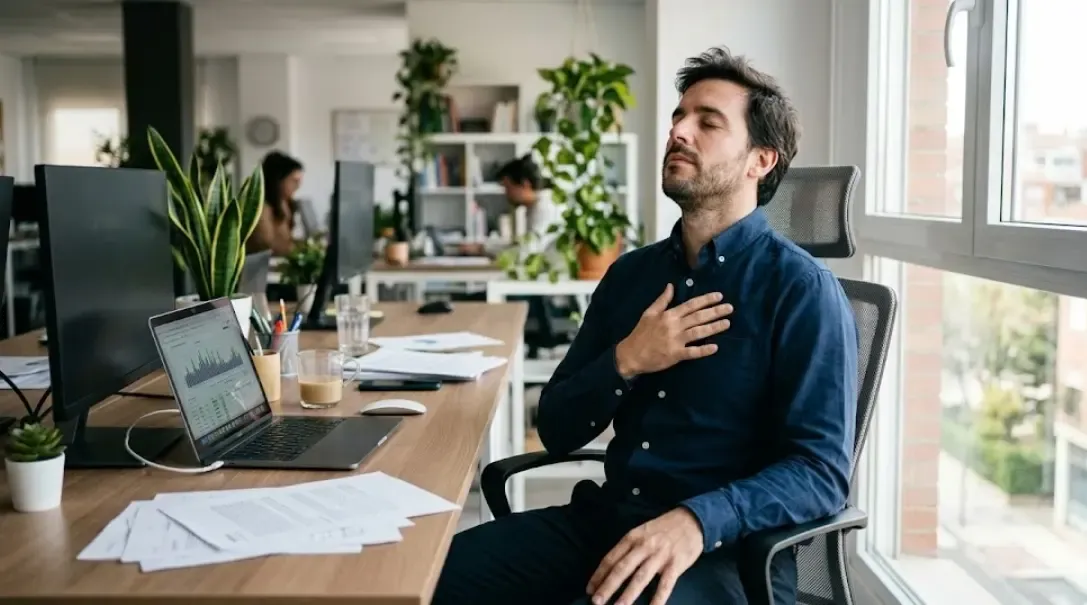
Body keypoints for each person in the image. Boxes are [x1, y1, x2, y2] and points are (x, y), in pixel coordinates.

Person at [431, 46, 858, 605]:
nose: (679, 131)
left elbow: (820, 472)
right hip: (607, 522)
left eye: (708, 122)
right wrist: (626, 360)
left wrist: (696, 520)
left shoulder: (801, 291)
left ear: (760, 161)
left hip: (724, 552)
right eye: (679, 116)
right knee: (431, 579)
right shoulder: (631, 276)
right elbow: (558, 426)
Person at [497, 154, 561, 252]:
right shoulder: (534, 205)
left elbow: (527, 253)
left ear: (525, 184)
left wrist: (484, 249)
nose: (506, 194)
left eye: (508, 187)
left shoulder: (546, 207)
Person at [246, 151, 303, 256]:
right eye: (294, 181)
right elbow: (268, 245)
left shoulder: (284, 203)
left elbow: (286, 241)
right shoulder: (261, 208)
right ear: (278, 180)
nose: (298, 186)